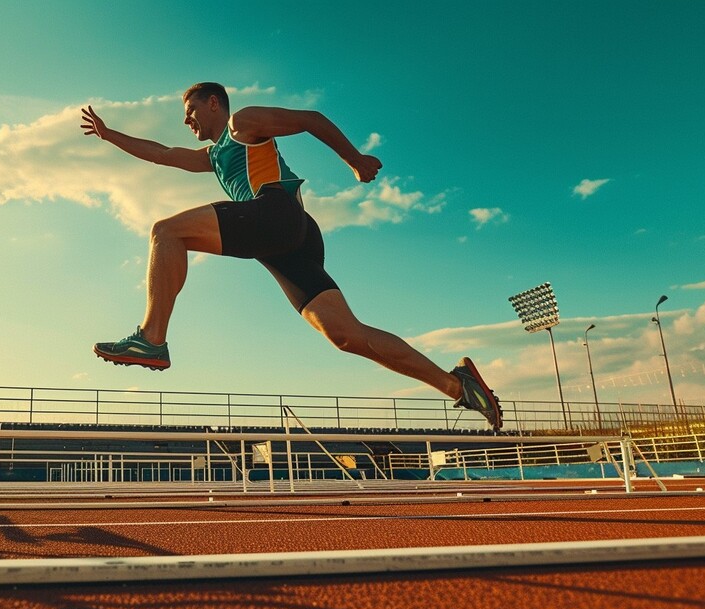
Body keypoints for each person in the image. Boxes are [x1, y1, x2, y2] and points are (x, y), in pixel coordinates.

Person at [80, 82, 502, 430]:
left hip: (276, 212)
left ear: (213, 103)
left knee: (166, 232)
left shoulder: (241, 123)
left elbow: (309, 120)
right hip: (288, 239)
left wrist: (354, 159)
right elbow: (161, 153)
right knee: (345, 334)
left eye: (190, 109)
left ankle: (151, 339)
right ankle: (458, 386)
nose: (186, 119)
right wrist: (108, 133)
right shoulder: (213, 155)